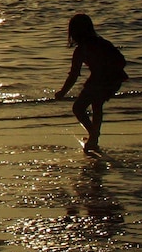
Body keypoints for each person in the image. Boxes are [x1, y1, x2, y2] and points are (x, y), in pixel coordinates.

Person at [55, 13, 128, 154]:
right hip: (109, 79)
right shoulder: (100, 43)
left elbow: (74, 75)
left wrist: (63, 92)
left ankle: (94, 135)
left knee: (81, 107)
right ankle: (94, 135)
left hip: (108, 78)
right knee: (94, 105)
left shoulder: (90, 47)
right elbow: (74, 74)